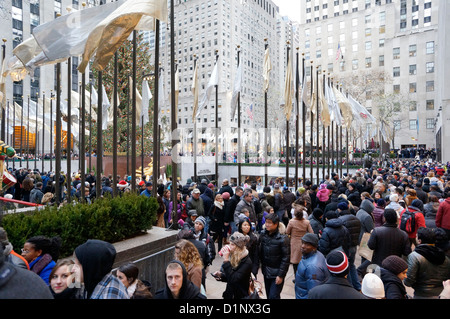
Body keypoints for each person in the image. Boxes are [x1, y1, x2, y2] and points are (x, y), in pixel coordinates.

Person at [404, 227, 450, 299]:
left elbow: (408, 281)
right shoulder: (445, 258)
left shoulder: (414, 256)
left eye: (416, 236)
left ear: (419, 241)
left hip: (421, 294)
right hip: (441, 294)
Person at [257, 213, 290, 299]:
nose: (266, 224)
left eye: (269, 222)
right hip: (266, 271)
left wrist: (281, 275)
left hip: (277, 273)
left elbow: (286, 258)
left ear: (276, 224)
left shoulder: (283, 238)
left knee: (273, 296)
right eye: (266, 222)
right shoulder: (263, 234)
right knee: (269, 295)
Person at [212, 232, 253, 299]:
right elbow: (231, 274)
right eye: (230, 244)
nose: (230, 246)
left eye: (232, 244)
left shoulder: (247, 262)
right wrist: (221, 275)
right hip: (230, 294)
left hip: (239, 295)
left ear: (239, 247)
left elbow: (234, 279)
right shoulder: (234, 256)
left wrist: (226, 260)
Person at [294, 233, 329, 299]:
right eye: (303, 243)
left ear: (314, 247)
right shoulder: (314, 255)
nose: (303, 246)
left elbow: (313, 292)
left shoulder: (312, 267)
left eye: (307, 244)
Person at [337, 200, 362, 291]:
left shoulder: (340, 220)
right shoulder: (355, 218)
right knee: (352, 265)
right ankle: (357, 286)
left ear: (340, 209)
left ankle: (350, 286)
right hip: (354, 246)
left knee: (346, 267)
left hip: (345, 247)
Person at [286, 205, 313, 275]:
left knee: (295, 261)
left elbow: (287, 232)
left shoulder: (291, 222)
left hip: (294, 242)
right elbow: (311, 233)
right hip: (304, 242)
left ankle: (296, 276)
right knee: (303, 260)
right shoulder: (307, 222)